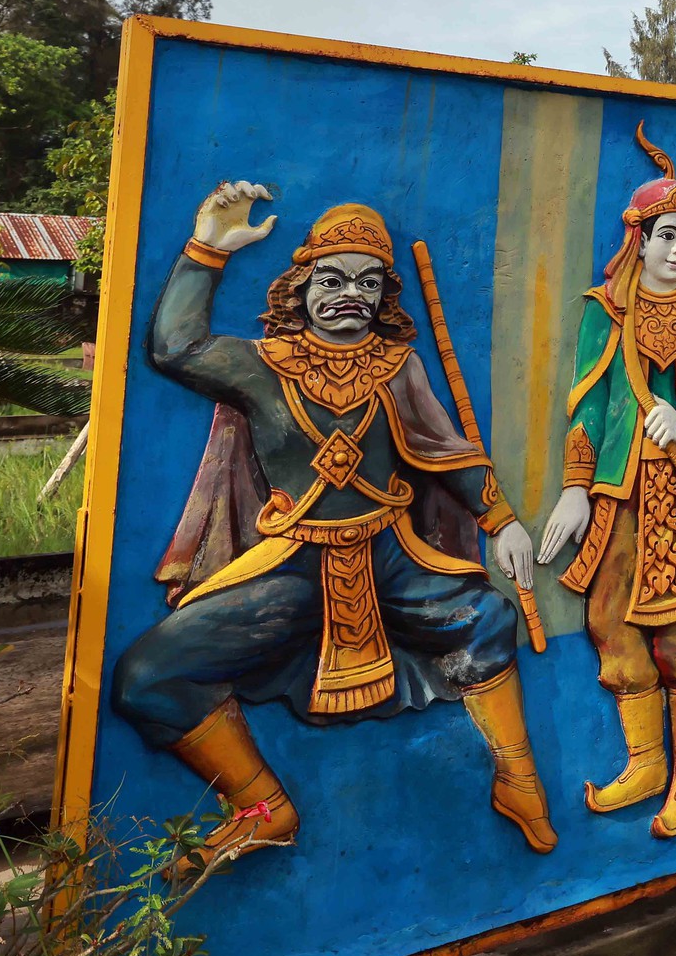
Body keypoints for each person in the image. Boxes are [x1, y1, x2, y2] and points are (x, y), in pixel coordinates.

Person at [112, 184, 554, 871]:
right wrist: (209, 248)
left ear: (384, 295)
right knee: (147, 674)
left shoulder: (396, 365)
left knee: (488, 619)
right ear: (303, 285)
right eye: (334, 278)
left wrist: (500, 518)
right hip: (291, 566)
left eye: (369, 281)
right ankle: (262, 807)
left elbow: (445, 450)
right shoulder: (262, 364)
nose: (351, 292)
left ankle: (518, 780)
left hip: (391, 557)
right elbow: (174, 347)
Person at [537, 132, 676, 838]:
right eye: (668, 235)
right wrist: (573, 487)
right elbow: (587, 401)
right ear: (640, 236)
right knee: (612, 623)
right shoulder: (606, 308)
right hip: (620, 495)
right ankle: (647, 761)